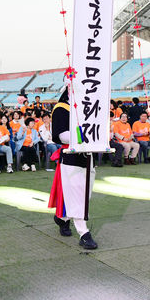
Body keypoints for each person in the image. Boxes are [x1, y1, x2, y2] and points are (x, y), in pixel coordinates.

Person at [48, 84, 97, 250]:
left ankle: (62, 218)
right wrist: (85, 134)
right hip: (71, 157)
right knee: (77, 194)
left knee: (85, 194)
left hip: (88, 156)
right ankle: (84, 233)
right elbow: (61, 136)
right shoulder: (61, 108)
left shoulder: (87, 108)